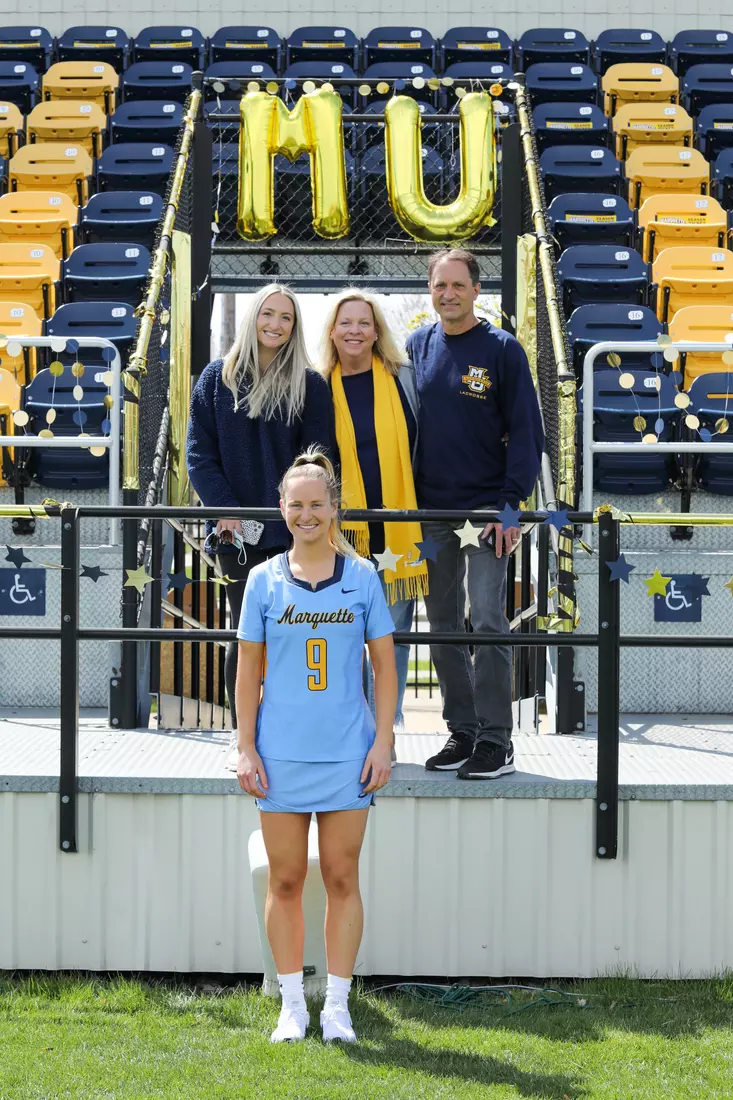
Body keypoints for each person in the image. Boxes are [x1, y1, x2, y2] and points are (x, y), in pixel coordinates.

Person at [235, 448, 396, 1044]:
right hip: (279, 757)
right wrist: (245, 747)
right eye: (296, 504)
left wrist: (383, 741)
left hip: (347, 755)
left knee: (342, 876)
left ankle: (337, 1007)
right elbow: (246, 671)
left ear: (334, 509)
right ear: (282, 508)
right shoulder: (263, 580)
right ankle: (291, 1006)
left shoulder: (362, 579)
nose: (307, 514)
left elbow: (384, 666)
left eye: (317, 504)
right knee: (283, 881)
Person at [406, 248, 544, 780]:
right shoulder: (417, 346)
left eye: (457, 285)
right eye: (439, 286)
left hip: (486, 510)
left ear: (476, 291)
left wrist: (511, 507)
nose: (448, 294)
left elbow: (527, 435)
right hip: (430, 512)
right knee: (441, 625)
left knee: (486, 619)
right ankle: (462, 732)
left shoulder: (503, 350)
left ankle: (496, 740)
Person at [186, 285, 334, 770]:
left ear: (295, 327)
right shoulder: (215, 379)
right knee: (247, 636)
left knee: (295, 636)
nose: (275, 324)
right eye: (267, 314)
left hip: (294, 533)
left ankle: (294, 735)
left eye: (285, 317)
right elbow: (199, 457)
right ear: (253, 318)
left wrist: (304, 517)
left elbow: (317, 459)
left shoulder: (309, 385)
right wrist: (225, 509)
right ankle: (242, 737)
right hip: (235, 535)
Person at [319, 290, 428, 744]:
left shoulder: (404, 378)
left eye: (364, 323)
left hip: (399, 530)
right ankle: (348, 731)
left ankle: (387, 729)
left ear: (377, 330)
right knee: (342, 634)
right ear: (332, 330)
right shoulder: (317, 383)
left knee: (392, 636)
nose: (355, 331)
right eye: (346, 323)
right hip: (344, 534)